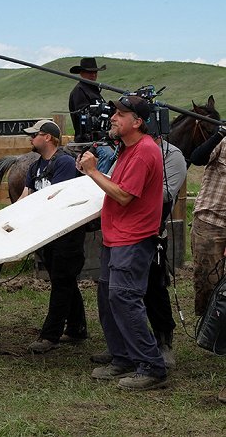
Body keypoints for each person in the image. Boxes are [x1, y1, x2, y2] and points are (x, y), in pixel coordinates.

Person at [78, 95, 167, 391]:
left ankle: (151, 365)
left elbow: (124, 195)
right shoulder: (129, 150)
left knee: (124, 298)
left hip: (134, 238)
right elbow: (119, 187)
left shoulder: (143, 152)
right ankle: (123, 356)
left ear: (137, 122)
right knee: (108, 296)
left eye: (120, 114)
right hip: (118, 236)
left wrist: (93, 172)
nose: (113, 118)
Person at [90, 137, 187, 368]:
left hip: (146, 230)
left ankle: (162, 344)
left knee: (153, 289)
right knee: (113, 293)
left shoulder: (170, 156)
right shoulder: (124, 151)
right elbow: (114, 181)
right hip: (121, 230)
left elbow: (164, 194)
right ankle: (123, 350)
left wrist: (132, 184)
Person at [17, 120, 88, 354]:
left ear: (48, 137)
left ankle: (50, 335)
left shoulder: (65, 163)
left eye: (34, 135)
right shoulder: (35, 167)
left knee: (61, 281)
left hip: (66, 234)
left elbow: (55, 198)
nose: (30, 139)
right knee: (64, 281)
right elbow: (26, 196)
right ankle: (77, 328)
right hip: (47, 234)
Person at [188, 122, 226, 404]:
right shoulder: (222, 140)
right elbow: (197, 157)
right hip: (210, 220)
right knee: (207, 283)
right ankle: (210, 331)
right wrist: (220, 132)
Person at [68, 57, 106, 142]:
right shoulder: (79, 91)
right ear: (81, 73)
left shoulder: (94, 90)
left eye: (95, 72)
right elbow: (84, 115)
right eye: (89, 72)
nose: (93, 75)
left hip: (99, 138)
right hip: (86, 141)